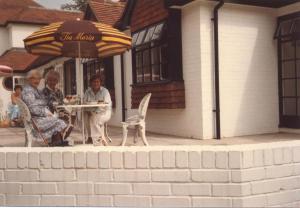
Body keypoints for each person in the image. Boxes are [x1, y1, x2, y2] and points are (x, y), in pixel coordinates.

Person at [21, 69, 70, 146]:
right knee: (60, 121)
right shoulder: (28, 91)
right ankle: (56, 142)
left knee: (63, 118)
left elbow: (42, 103)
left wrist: (45, 108)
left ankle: (57, 141)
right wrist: (46, 113)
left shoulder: (34, 89)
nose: (37, 80)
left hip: (37, 117)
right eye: (34, 78)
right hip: (35, 121)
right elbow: (33, 108)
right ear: (29, 79)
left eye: (38, 79)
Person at [83, 74, 112, 145]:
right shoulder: (87, 92)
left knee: (94, 118)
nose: (96, 83)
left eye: (97, 82)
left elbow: (107, 104)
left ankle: (98, 138)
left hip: (104, 112)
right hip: (91, 112)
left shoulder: (105, 91)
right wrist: (89, 111)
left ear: (100, 83)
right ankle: (92, 137)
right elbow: (84, 103)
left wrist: (95, 111)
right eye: (94, 82)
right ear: (91, 83)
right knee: (85, 116)